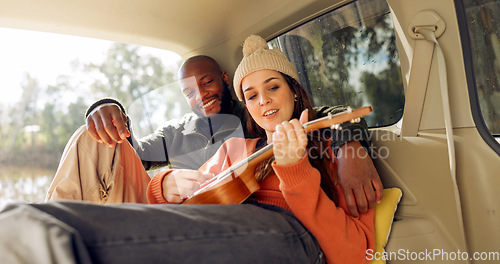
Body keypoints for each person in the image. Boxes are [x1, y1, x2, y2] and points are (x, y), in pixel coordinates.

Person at [0, 34, 374, 264]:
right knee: (90, 138)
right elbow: (184, 197)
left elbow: (357, 255)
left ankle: (29, 234)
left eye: (273, 87)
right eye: (252, 95)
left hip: (291, 234)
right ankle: (33, 230)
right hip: (219, 220)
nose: (264, 102)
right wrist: (163, 183)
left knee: (27, 227)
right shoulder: (236, 148)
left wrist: (297, 170)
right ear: (245, 103)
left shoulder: (336, 143)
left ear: (293, 88)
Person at [47, 53, 381, 217]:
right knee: (93, 136)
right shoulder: (175, 133)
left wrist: (351, 142)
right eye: (188, 91)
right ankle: (53, 231)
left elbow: (323, 116)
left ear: (223, 78)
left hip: (224, 218)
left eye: (206, 82)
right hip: (172, 209)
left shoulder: (254, 117)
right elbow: (127, 153)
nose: (200, 95)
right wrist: (107, 108)